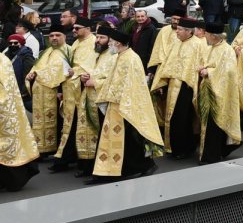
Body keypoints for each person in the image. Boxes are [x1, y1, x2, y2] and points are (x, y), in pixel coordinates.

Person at [84, 25, 163, 185]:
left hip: (126, 106)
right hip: (116, 106)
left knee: (127, 141)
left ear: (118, 43)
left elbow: (132, 84)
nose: (109, 44)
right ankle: (110, 171)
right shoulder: (120, 56)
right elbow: (112, 80)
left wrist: (118, 100)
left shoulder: (131, 59)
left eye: (111, 42)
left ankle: (127, 170)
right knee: (118, 140)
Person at [51, 22, 102, 175]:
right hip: (70, 91)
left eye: (77, 28)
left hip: (83, 91)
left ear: (87, 29)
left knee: (81, 128)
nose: (73, 30)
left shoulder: (92, 43)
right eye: (73, 28)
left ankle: (82, 162)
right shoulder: (76, 43)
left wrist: (76, 72)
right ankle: (65, 159)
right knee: (69, 126)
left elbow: (90, 67)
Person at [151, 17, 206, 158]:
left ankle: (185, 148)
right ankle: (174, 147)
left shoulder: (198, 45)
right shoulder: (176, 43)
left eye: (180, 29)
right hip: (172, 85)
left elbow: (202, 65)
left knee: (184, 118)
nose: (177, 32)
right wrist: (161, 83)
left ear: (189, 31)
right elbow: (167, 63)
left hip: (187, 87)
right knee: (172, 117)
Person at [196, 22, 242, 164]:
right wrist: (201, 68)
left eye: (206, 34)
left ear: (213, 36)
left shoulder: (227, 50)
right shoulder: (210, 48)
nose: (205, 36)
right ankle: (214, 152)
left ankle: (212, 155)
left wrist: (208, 72)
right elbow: (205, 62)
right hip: (207, 89)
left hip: (220, 94)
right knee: (208, 124)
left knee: (214, 124)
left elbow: (229, 72)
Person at [26, 27, 72, 155]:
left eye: (58, 35)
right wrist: (31, 75)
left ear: (64, 36)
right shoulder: (46, 52)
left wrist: (61, 91)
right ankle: (42, 148)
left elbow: (68, 73)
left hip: (57, 93)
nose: (54, 38)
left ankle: (56, 150)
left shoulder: (69, 51)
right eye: (51, 35)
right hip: (40, 96)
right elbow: (36, 68)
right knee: (40, 122)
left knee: (58, 123)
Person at [0, 50, 40, 191]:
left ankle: (12, 181)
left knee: (8, 147)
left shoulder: (2, 61)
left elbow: (5, 89)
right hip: (7, 110)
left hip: (5, 111)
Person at [6, 33, 34, 106]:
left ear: (21, 43)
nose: (12, 45)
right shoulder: (7, 54)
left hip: (22, 90)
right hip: (11, 88)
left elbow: (28, 73)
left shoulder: (26, 55)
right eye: (10, 43)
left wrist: (24, 91)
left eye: (15, 43)